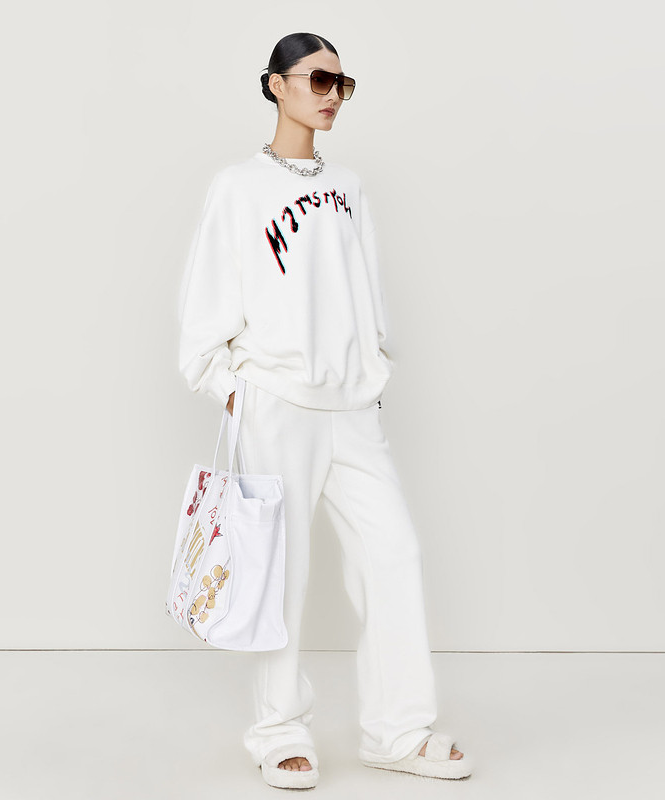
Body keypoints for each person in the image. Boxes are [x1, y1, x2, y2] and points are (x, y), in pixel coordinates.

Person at [177, 31, 473, 790]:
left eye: (341, 83)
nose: (332, 95)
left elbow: (365, 288)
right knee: (282, 571)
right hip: (275, 400)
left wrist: (374, 370)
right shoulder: (237, 187)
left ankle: (398, 731)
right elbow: (207, 299)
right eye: (317, 80)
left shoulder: (348, 185)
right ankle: (278, 731)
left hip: (352, 406)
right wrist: (231, 386)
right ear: (276, 84)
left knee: (393, 555)